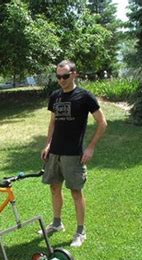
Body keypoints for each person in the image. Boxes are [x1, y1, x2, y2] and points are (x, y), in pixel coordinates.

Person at [40, 60, 107, 247]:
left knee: (76, 192)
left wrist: (91, 147)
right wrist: (48, 145)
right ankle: (56, 223)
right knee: (54, 188)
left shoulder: (84, 96)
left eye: (65, 76)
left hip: (73, 154)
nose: (61, 80)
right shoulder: (55, 96)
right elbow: (53, 123)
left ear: (74, 74)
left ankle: (80, 231)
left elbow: (102, 123)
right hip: (55, 152)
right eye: (58, 76)